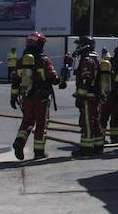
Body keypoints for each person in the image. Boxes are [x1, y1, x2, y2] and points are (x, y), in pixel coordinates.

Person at [10, 32, 58, 160]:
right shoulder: (44, 60)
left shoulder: (21, 61)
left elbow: (15, 80)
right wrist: (60, 78)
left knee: (27, 121)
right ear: (40, 44)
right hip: (41, 97)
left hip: (26, 96)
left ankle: (19, 141)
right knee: (41, 124)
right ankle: (39, 152)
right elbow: (53, 78)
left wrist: (13, 97)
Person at [61, 36, 104, 158]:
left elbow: (86, 81)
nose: (77, 48)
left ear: (85, 46)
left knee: (87, 122)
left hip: (88, 97)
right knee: (95, 122)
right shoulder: (93, 59)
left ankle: (87, 148)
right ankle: (98, 145)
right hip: (94, 96)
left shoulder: (87, 61)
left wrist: (80, 97)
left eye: (79, 45)